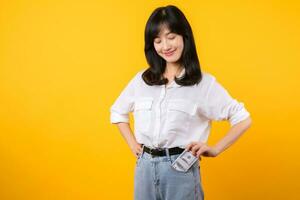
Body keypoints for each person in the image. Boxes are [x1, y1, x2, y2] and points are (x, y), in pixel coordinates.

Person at [110, 5, 252, 200]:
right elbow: (117, 112)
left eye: (171, 37)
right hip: (143, 169)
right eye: (158, 40)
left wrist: (216, 149)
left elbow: (242, 118)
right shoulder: (142, 80)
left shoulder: (203, 83)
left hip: (180, 169)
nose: (165, 46)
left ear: (184, 36)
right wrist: (133, 144)